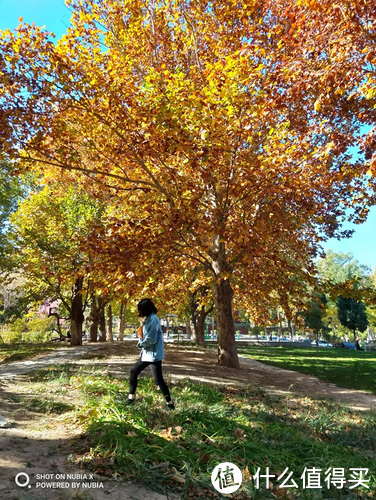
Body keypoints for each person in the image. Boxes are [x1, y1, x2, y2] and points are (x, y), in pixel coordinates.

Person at [126, 298, 174, 409]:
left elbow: (151, 339)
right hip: (147, 354)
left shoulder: (154, 320)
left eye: (140, 310)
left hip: (154, 355)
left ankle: (170, 404)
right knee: (134, 372)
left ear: (146, 309)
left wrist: (140, 344)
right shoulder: (148, 318)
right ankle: (131, 398)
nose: (139, 312)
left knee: (159, 381)